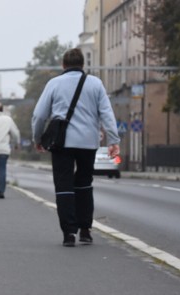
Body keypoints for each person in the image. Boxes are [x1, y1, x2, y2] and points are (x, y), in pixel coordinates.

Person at [31, 48, 120, 247]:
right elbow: (106, 113)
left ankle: (69, 233)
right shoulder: (95, 84)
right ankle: (86, 230)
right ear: (82, 65)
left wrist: (38, 138)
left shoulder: (54, 84)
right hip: (88, 143)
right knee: (84, 185)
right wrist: (114, 140)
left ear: (63, 65)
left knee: (64, 186)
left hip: (61, 143)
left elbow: (39, 115)